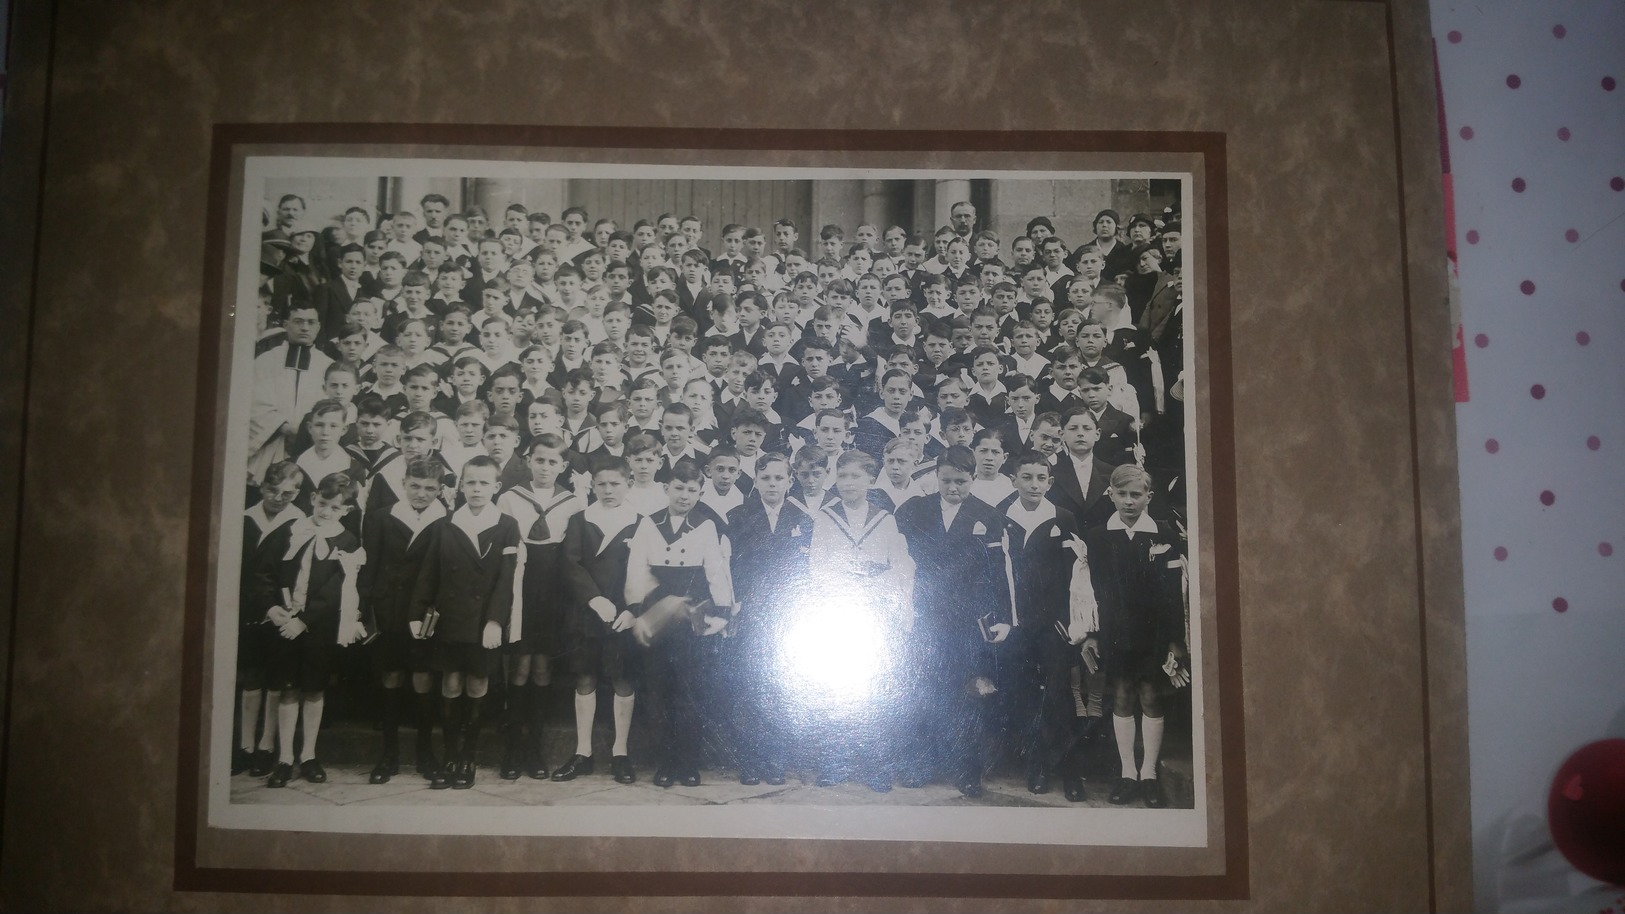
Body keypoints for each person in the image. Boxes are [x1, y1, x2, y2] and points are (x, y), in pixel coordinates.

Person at [893, 446, 1012, 797]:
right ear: (936, 478)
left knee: (967, 696)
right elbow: (896, 558)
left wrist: (1003, 617)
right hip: (924, 617)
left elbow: (999, 573)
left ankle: (967, 771)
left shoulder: (987, 515)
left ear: (973, 479)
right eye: (946, 480)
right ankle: (919, 765)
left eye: (961, 481)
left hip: (966, 621)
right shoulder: (914, 510)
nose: (953, 488)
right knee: (923, 691)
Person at [806, 449, 915, 791]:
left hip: (875, 611)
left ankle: (875, 765)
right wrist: (845, 588)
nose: (849, 483)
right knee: (837, 689)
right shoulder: (825, 517)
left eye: (856, 476)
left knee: (876, 689)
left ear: (871, 480)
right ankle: (835, 762)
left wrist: (871, 589)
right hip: (838, 608)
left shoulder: (885, 518)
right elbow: (817, 567)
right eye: (843, 476)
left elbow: (898, 567)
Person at [411, 455, 521, 789]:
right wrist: (417, 614)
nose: (476, 489)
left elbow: (505, 580)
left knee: (477, 683)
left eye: (484, 483)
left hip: (483, 623)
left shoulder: (506, 525)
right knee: (451, 683)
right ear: (460, 485)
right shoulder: (446, 525)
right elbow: (429, 574)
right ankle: (451, 755)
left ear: (496, 487)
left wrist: (494, 621)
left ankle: (469, 756)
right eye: (470, 482)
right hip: (451, 620)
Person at [623, 457, 735, 788]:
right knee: (658, 691)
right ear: (666, 489)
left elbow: (715, 571)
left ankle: (688, 761)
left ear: (700, 493)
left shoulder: (705, 525)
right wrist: (639, 610)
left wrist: (722, 612)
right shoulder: (648, 524)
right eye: (678, 489)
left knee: (688, 691)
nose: (684, 496)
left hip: (690, 615)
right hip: (657, 616)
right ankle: (665, 760)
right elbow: (636, 570)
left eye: (691, 490)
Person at [1085, 465, 1187, 809]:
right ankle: (1128, 773)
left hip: (1154, 633)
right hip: (1115, 632)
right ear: (1111, 495)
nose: (1129, 501)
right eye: (1122, 494)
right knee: (1123, 695)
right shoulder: (1098, 536)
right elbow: (1090, 591)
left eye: (1136, 494)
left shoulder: (1163, 534)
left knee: (1150, 697)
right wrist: (1093, 634)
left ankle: (1149, 774)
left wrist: (1176, 641)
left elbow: (1175, 593)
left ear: (1149, 497)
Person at [999, 450, 1094, 800]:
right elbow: (1000, 575)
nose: (1034, 484)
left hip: (1054, 625)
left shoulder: (1064, 518)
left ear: (1050, 482)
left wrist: (1072, 623)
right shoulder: (1002, 518)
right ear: (1014, 480)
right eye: (1027, 477)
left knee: (1059, 695)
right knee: (1025, 696)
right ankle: (1036, 765)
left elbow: (1077, 576)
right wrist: (1009, 620)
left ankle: (1070, 771)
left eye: (1041, 478)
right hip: (1018, 624)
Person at [265, 471, 365, 787]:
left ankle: (308, 755)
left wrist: (303, 621)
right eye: (322, 503)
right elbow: (266, 573)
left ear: (346, 511)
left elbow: (335, 589)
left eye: (335, 508)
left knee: (314, 688)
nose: (325, 512)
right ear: (313, 498)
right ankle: (284, 758)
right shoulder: (290, 530)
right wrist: (273, 609)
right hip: (284, 623)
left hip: (318, 628)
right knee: (288, 687)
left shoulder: (348, 541)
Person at [495, 434, 585, 780]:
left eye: (552, 462)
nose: (545, 467)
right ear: (528, 461)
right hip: (520, 585)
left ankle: (535, 747)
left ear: (563, 466)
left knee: (543, 666)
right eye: (539, 460)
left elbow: (572, 555)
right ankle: (513, 748)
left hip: (554, 588)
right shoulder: (509, 499)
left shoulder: (573, 502)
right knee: (519, 665)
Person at [554, 455, 645, 784]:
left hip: (623, 614)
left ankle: (621, 752)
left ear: (629, 484)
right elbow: (570, 563)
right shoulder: (580, 519)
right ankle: (583, 753)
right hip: (587, 613)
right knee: (585, 678)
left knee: (623, 679)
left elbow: (645, 569)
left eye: (615, 484)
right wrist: (593, 599)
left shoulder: (640, 521)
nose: (608, 490)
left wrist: (632, 608)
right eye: (601, 484)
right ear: (592, 485)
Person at [357, 456, 448, 783]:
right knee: (391, 678)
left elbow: (444, 574)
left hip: (424, 615)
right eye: (415, 486)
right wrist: (363, 611)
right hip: (389, 611)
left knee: (423, 679)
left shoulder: (445, 522)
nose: (421, 493)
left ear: (439, 490)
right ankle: (389, 755)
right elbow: (369, 568)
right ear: (404, 485)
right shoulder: (382, 518)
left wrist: (433, 612)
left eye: (429, 488)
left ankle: (425, 754)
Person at [236, 462, 306, 778]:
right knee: (251, 677)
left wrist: (284, 609)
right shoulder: (244, 520)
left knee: (277, 677)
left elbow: (297, 574)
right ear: (262, 487)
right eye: (273, 490)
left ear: (298, 493)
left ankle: (266, 746)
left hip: (282, 612)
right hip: (249, 609)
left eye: (288, 493)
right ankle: (245, 747)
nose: (279, 497)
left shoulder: (300, 523)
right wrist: (262, 606)